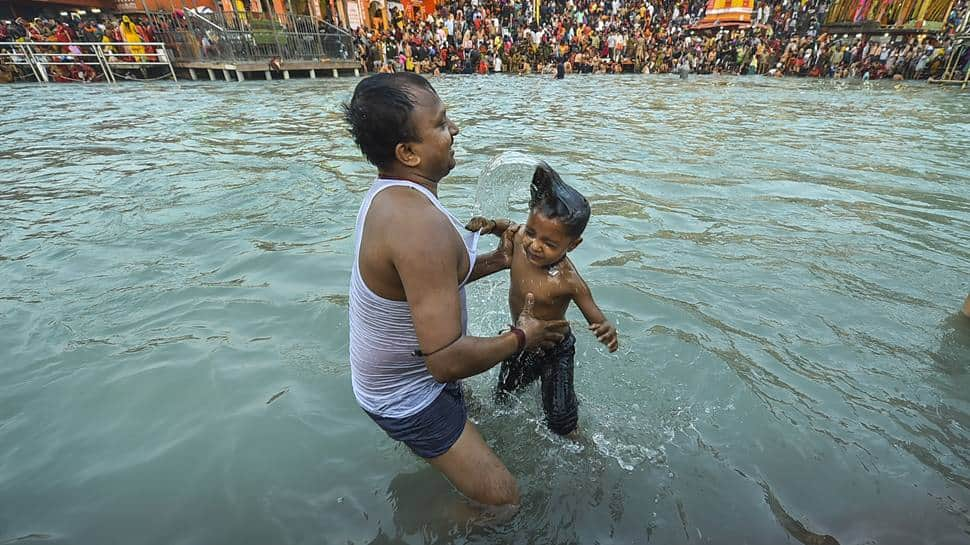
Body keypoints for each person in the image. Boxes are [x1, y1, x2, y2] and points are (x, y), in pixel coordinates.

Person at [343, 73, 569, 507]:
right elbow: (445, 362)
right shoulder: (416, 225)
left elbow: (432, 281)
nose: (456, 130)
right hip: (403, 393)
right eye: (443, 124)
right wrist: (524, 337)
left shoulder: (397, 194)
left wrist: (501, 261)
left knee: (484, 424)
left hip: (403, 371)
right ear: (407, 152)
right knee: (503, 501)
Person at [465, 162, 618, 437]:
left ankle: (580, 442)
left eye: (549, 243)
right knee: (504, 396)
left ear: (573, 245)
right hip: (521, 339)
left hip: (554, 350)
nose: (535, 245)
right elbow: (507, 227)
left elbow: (594, 314)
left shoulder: (568, 280)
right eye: (532, 233)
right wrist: (488, 225)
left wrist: (605, 328)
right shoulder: (522, 237)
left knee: (560, 421)